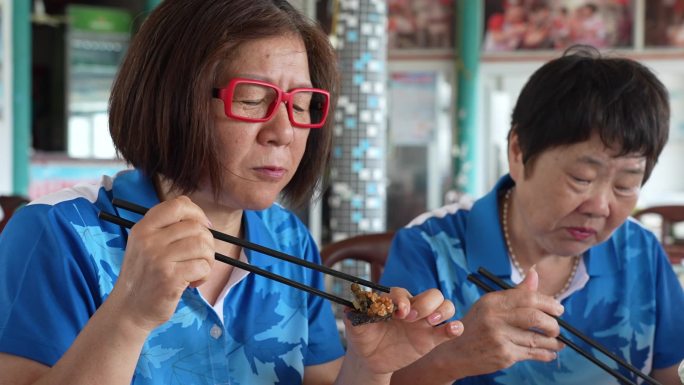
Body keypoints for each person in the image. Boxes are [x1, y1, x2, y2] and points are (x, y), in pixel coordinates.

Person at [0, 1, 464, 384]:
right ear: (173, 99)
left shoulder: (286, 239)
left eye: (301, 105)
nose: (284, 131)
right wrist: (129, 314)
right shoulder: (60, 234)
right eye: (252, 99)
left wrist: (369, 368)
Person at [381, 45, 684, 384]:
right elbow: (381, 376)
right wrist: (455, 356)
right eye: (581, 178)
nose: (600, 206)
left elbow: (671, 373)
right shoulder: (431, 247)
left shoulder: (639, 250)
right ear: (517, 151)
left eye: (626, 185)